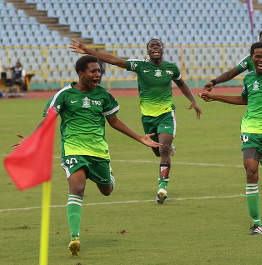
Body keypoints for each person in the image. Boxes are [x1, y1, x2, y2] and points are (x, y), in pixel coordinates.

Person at [14, 55, 161, 256]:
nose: (97, 75)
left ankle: (107, 176)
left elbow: (114, 121)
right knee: (77, 188)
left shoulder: (103, 95)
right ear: (80, 73)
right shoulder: (64, 95)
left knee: (107, 190)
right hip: (73, 149)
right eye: (93, 71)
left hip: (98, 150)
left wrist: (140, 138)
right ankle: (75, 237)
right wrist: (32, 139)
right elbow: (49, 120)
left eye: (99, 71)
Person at [70, 38, 202, 204]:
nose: (155, 48)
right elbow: (114, 60)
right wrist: (88, 51)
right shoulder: (140, 66)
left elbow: (181, 83)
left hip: (166, 114)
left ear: (162, 49)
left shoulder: (171, 68)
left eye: (158, 45)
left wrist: (193, 100)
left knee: (164, 149)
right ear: (147, 50)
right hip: (147, 117)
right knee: (156, 150)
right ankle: (166, 149)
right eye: (151, 46)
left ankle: (162, 188)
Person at [200, 42, 262, 235]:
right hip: (250, 130)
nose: (261, 60)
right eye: (257, 56)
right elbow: (244, 100)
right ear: (251, 58)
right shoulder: (249, 78)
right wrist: (215, 97)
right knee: (251, 171)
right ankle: (257, 223)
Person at [204, 28, 262, 190]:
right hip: (256, 104)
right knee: (257, 145)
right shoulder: (250, 59)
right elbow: (233, 72)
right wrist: (214, 81)